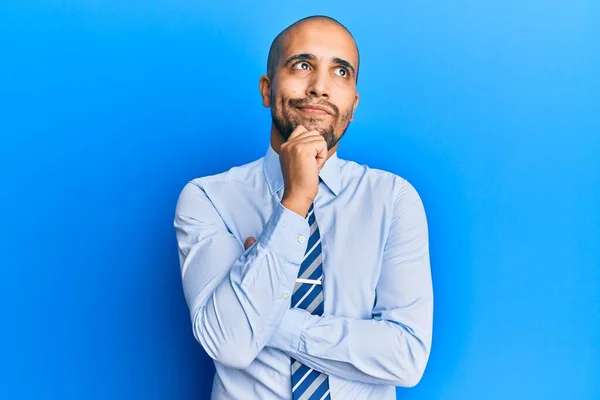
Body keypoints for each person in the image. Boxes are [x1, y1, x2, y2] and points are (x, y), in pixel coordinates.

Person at [174, 15, 433, 400]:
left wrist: (266, 314)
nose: (320, 88)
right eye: (302, 65)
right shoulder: (207, 198)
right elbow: (229, 342)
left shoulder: (393, 199)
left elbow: (407, 357)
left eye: (341, 72)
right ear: (267, 89)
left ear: (353, 103)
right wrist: (294, 203)